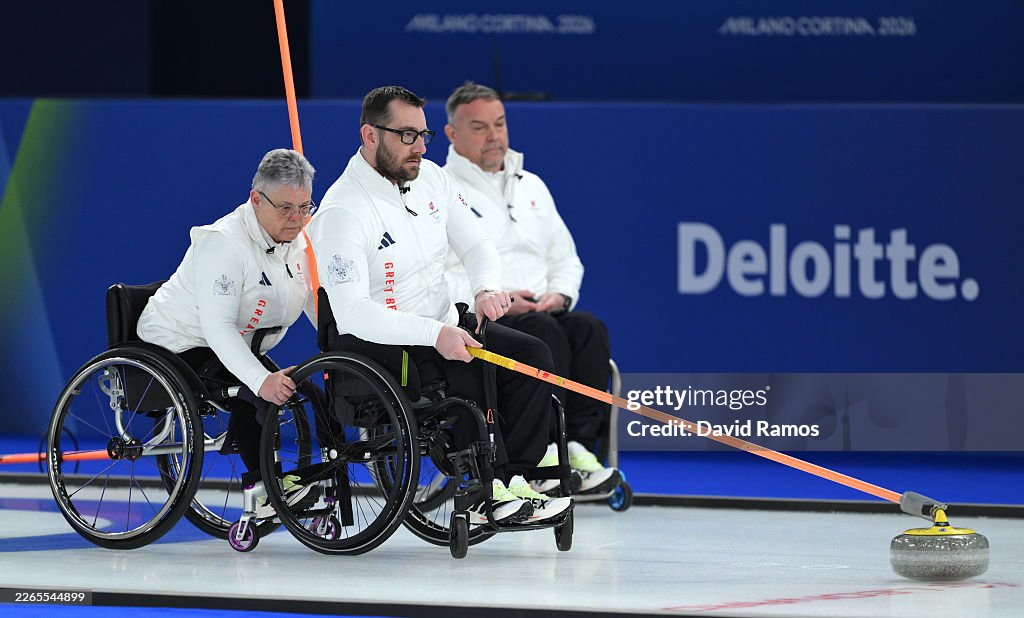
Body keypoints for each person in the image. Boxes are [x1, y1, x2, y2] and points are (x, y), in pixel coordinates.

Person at [305, 85, 570, 524]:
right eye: (406, 135)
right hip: (384, 342)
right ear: (370, 135)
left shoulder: (431, 177)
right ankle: (489, 489)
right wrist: (435, 334)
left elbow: (477, 244)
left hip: (445, 325)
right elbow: (351, 312)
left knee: (532, 354)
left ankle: (519, 480)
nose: (419, 148)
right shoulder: (343, 210)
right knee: (471, 360)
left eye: (423, 136)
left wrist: (485, 289)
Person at [442, 82, 620, 496]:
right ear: (452, 134)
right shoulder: (443, 189)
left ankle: (575, 445)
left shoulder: (532, 185)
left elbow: (566, 257)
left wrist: (560, 294)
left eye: (500, 124)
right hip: (488, 315)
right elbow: (440, 269)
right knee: (544, 332)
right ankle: (543, 451)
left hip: (544, 307)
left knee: (589, 328)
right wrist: (496, 296)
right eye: (480, 127)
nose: (495, 136)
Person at [137, 148, 320, 516]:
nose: (297, 219)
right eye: (285, 208)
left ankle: (315, 477)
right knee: (255, 391)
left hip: (238, 343)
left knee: (304, 386)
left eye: (304, 207)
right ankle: (263, 486)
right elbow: (217, 326)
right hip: (180, 343)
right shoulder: (224, 242)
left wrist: (340, 349)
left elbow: (314, 302)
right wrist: (259, 379)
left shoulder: (299, 240)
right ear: (256, 199)